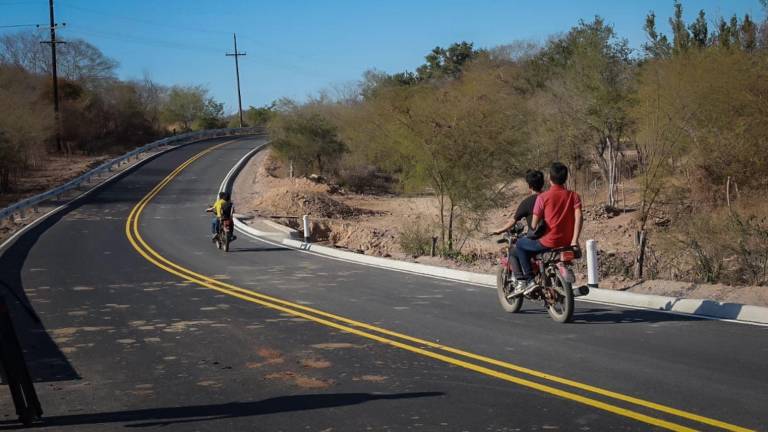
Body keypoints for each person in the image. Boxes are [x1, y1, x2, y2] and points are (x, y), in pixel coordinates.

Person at [514, 162, 582, 295]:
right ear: (566, 178)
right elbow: (579, 217)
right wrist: (575, 240)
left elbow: (533, 225)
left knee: (520, 244)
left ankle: (529, 280)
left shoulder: (542, 197)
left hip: (548, 241)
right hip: (568, 242)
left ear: (550, 179)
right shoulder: (574, 196)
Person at [492, 170, 545, 289]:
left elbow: (513, 221)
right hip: (553, 237)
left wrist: (500, 230)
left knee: (514, 250)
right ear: (543, 183)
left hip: (538, 240)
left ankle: (523, 280)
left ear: (529, 186)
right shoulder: (549, 198)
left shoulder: (527, 202)